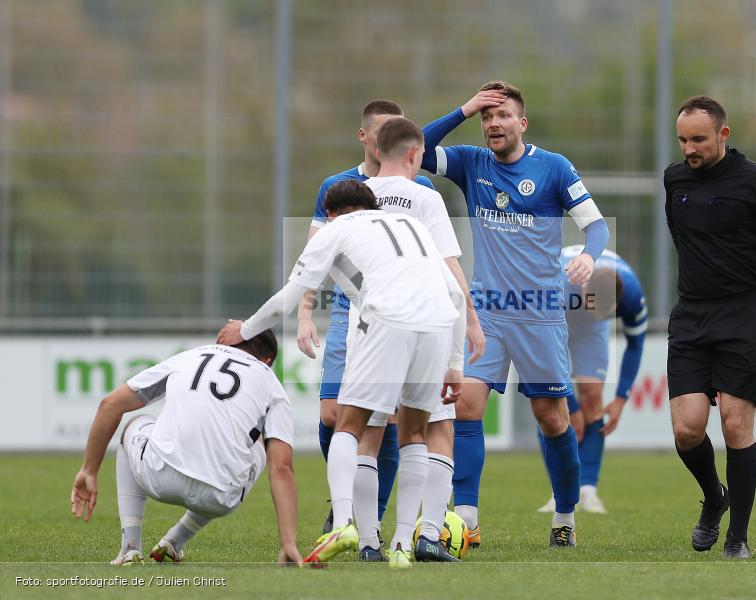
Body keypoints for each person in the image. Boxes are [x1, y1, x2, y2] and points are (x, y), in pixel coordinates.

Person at [219, 181, 466, 569]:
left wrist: (245, 330)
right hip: (438, 325)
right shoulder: (411, 226)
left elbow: (289, 296)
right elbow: (455, 292)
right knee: (416, 433)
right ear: (372, 206)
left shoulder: (336, 228)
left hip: (386, 320)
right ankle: (402, 544)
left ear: (331, 213)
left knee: (349, 426)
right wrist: (456, 364)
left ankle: (346, 524)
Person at [421, 81, 610, 547]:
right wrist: (464, 108)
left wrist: (589, 255)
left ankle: (564, 518)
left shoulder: (554, 168)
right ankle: (465, 521)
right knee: (465, 405)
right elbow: (418, 149)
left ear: (521, 123)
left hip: (540, 313)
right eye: (487, 118)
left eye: (502, 116)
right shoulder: (471, 163)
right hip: (485, 310)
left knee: (552, 419)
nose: (493, 124)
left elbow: (596, 224)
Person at [305, 116, 483, 562]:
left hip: (369, 323)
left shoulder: (352, 197)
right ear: (413, 153)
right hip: (426, 321)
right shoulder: (425, 195)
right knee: (433, 428)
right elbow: (446, 267)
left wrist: (307, 310)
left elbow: (318, 261)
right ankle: (423, 534)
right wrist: (471, 318)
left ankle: (366, 540)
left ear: (373, 147)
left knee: (365, 427)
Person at [664, 96, 756, 560]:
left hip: (742, 315)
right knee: (687, 430)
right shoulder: (674, 179)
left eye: (699, 140)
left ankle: (738, 538)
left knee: (734, 424)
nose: (690, 148)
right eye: (683, 139)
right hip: (690, 315)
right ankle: (714, 498)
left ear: (723, 135)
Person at [307, 100, 438, 539]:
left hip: (402, 317)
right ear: (366, 137)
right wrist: (306, 310)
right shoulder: (340, 187)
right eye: (381, 132)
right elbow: (315, 256)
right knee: (333, 416)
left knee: (393, 419)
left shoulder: (417, 190)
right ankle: (345, 497)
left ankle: (369, 521)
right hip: (349, 313)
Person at [70, 330, 301, 566]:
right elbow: (281, 468)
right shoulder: (271, 383)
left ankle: (130, 548)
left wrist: (89, 470)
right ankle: (175, 540)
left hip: (158, 476)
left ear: (231, 339)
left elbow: (109, 405)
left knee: (134, 423)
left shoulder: (192, 355)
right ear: (267, 361)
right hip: (220, 496)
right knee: (260, 444)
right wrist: (288, 543)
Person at [537, 247, 647, 514]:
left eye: (604, 311)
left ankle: (588, 490)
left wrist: (621, 399)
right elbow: (544, 352)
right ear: (584, 288)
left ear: (616, 305)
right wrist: (570, 406)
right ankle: (558, 490)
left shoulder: (630, 292)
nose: (595, 311)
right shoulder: (556, 284)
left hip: (589, 332)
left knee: (593, 398)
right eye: (591, 304)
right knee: (551, 407)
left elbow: (635, 345)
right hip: (553, 321)